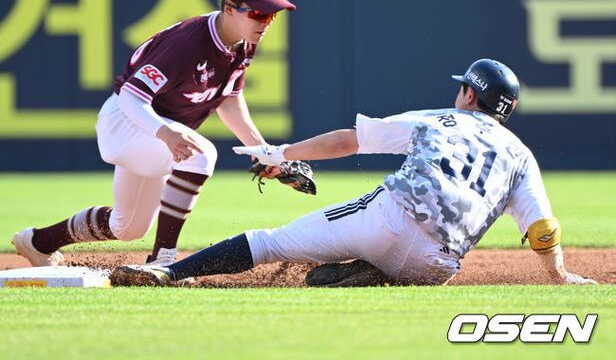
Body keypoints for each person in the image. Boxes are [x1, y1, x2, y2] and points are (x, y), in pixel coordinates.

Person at [110, 59, 597, 286]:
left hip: (388, 221)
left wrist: (280, 152)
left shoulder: (440, 119)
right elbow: (543, 228)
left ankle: (168, 272)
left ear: (470, 94)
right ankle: (375, 272)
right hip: (438, 266)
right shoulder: (521, 156)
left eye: (462, 89)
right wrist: (559, 277)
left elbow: (349, 140)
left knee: (270, 242)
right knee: (417, 262)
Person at [12, 0, 296, 267]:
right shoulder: (188, 44)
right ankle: (163, 260)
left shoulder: (243, 42)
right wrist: (166, 133)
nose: (267, 22)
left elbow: (228, 99)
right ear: (229, 8)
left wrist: (264, 152)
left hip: (157, 133)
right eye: (259, 13)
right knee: (201, 155)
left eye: (272, 14)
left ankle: (38, 242)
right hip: (126, 122)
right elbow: (131, 96)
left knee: (128, 227)